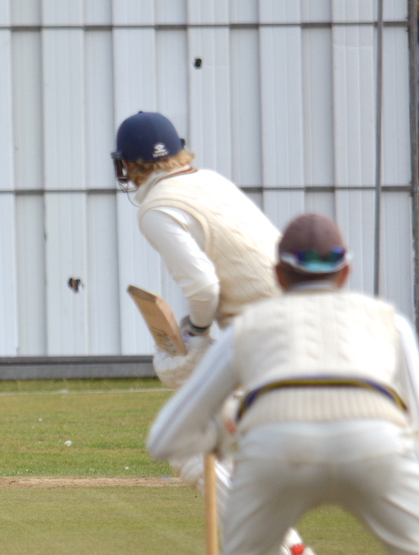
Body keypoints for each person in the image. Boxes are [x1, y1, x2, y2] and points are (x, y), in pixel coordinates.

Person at [148, 213, 419, 554]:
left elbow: (163, 441)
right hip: (375, 447)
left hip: (279, 450)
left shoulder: (248, 327)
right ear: (346, 272)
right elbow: (415, 420)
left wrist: (221, 428)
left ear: (278, 275)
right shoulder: (391, 323)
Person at [112, 111, 310, 554]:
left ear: (127, 164)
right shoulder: (212, 183)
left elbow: (202, 286)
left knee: (189, 446)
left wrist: (197, 334)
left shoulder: (157, 207)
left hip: (272, 339)